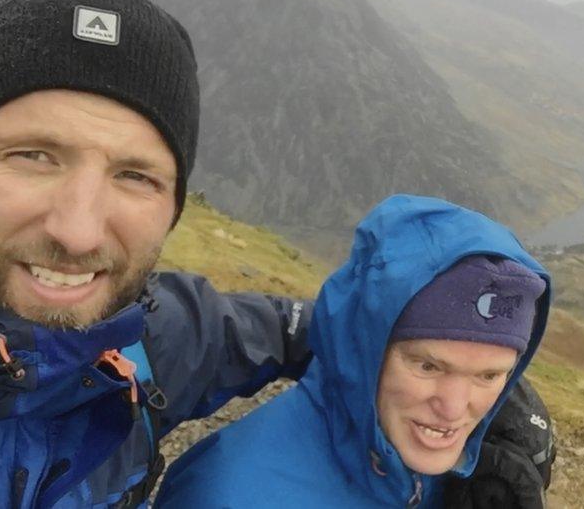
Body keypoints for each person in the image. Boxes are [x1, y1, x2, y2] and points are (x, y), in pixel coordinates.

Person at [0, 0, 552, 508]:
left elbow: (286, 327)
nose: (77, 230)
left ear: (174, 202)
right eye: (33, 156)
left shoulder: (160, 338)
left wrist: (456, 365)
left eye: (135, 175)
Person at [155, 194, 553, 508]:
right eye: (428, 366)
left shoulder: (470, 472)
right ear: (364, 350)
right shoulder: (228, 496)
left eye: (488, 375)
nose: (453, 409)